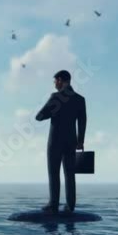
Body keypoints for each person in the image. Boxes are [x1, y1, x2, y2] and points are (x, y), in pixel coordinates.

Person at [35, 70, 86, 213]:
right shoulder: (80, 99)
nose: (54, 84)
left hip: (55, 141)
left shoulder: (56, 97)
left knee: (54, 172)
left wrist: (50, 111)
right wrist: (80, 141)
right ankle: (70, 206)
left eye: (55, 81)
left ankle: (53, 205)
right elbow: (82, 122)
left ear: (59, 80)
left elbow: (39, 116)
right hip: (71, 141)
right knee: (70, 174)